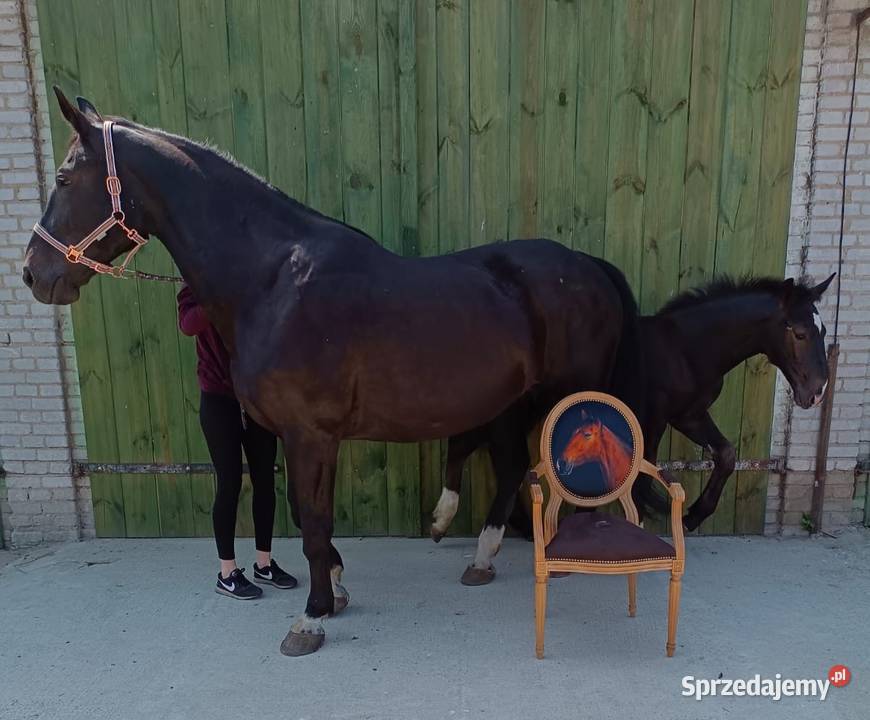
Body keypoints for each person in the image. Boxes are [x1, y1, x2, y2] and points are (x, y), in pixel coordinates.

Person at [177, 283, 297, 599]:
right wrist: (219, 296)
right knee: (229, 484)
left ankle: (264, 564)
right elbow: (189, 324)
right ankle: (227, 573)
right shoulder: (195, 288)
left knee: (265, 482)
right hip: (219, 401)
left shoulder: (249, 282)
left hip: (256, 400)